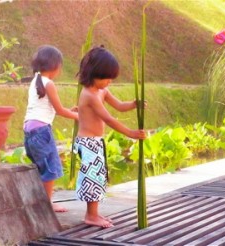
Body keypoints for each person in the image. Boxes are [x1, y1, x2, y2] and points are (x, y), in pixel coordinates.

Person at [74, 46, 146, 228]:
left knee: (99, 177)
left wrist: (134, 104)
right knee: (93, 179)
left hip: (96, 142)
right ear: (94, 74)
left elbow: (120, 106)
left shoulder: (101, 91)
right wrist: (131, 134)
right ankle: (91, 215)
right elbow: (109, 118)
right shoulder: (89, 95)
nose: (109, 82)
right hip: (88, 142)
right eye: (106, 78)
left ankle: (94, 214)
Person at [24, 45, 78, 212]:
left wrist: (71, 110)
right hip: (41, 131)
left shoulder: (36, 81)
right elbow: (60, 111)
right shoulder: (49, 84)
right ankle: (47, 204)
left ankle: (40, 201)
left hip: (29, 131)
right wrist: (79, 116)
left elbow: (50, 107)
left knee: (41, 168)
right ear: (55, 66)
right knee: (51, 167)